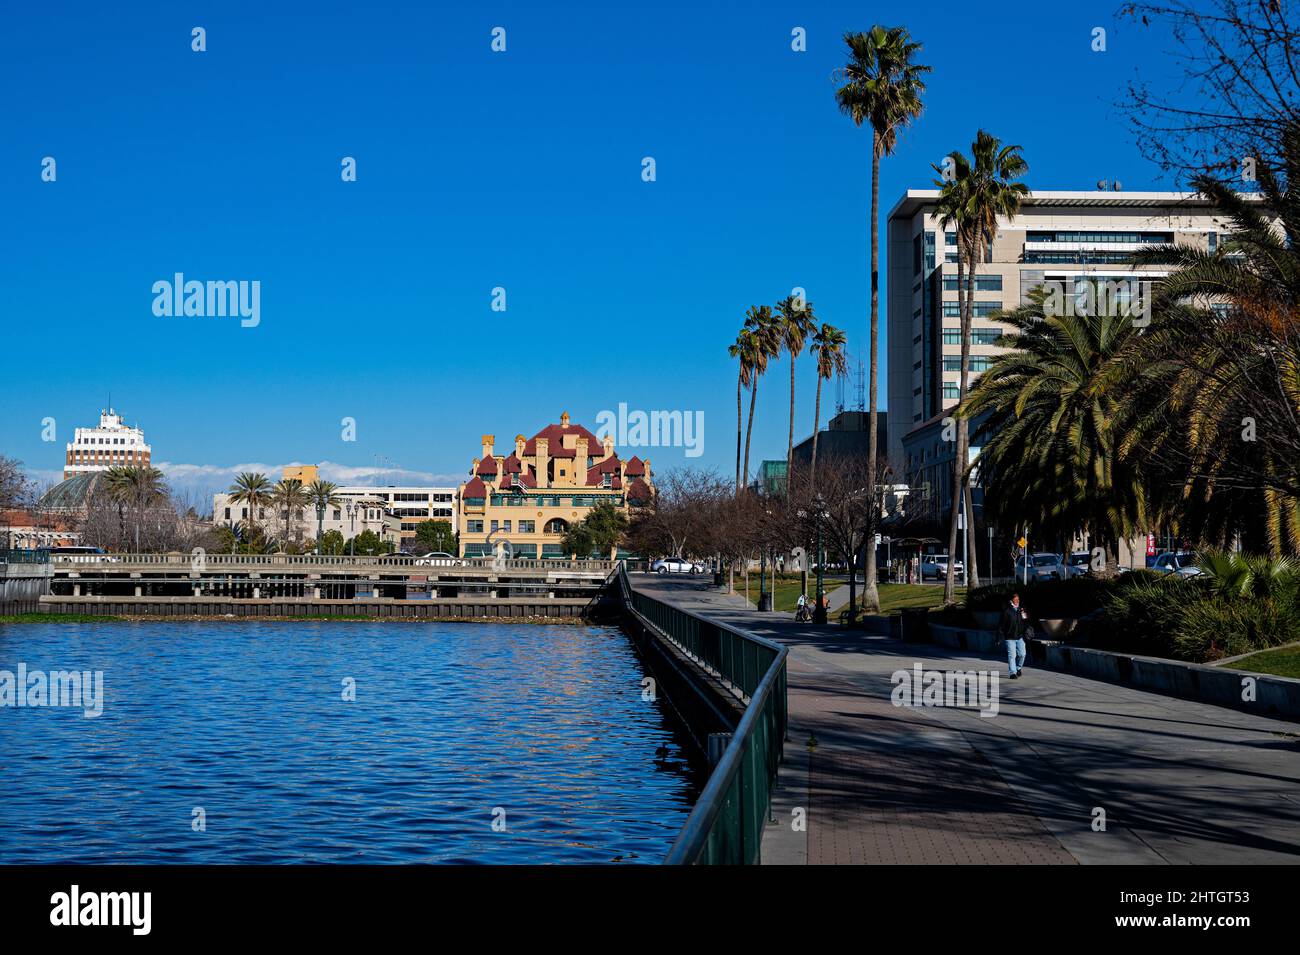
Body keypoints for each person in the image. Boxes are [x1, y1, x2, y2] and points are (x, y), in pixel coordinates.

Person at [999, 592, 1031, 679]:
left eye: (1018, 599)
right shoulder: (1007, 611)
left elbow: (1026, 621)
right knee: (1012, 655)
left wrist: (1024, 614)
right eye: (1015, 599)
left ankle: (1018, 668)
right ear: (1011, 600)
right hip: (1009, 637)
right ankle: (1012, 673)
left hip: (1020, 637)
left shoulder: (1021, 609)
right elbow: (1001, 625)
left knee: (1022, 654)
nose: (1017, 601)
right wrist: (999, 637)